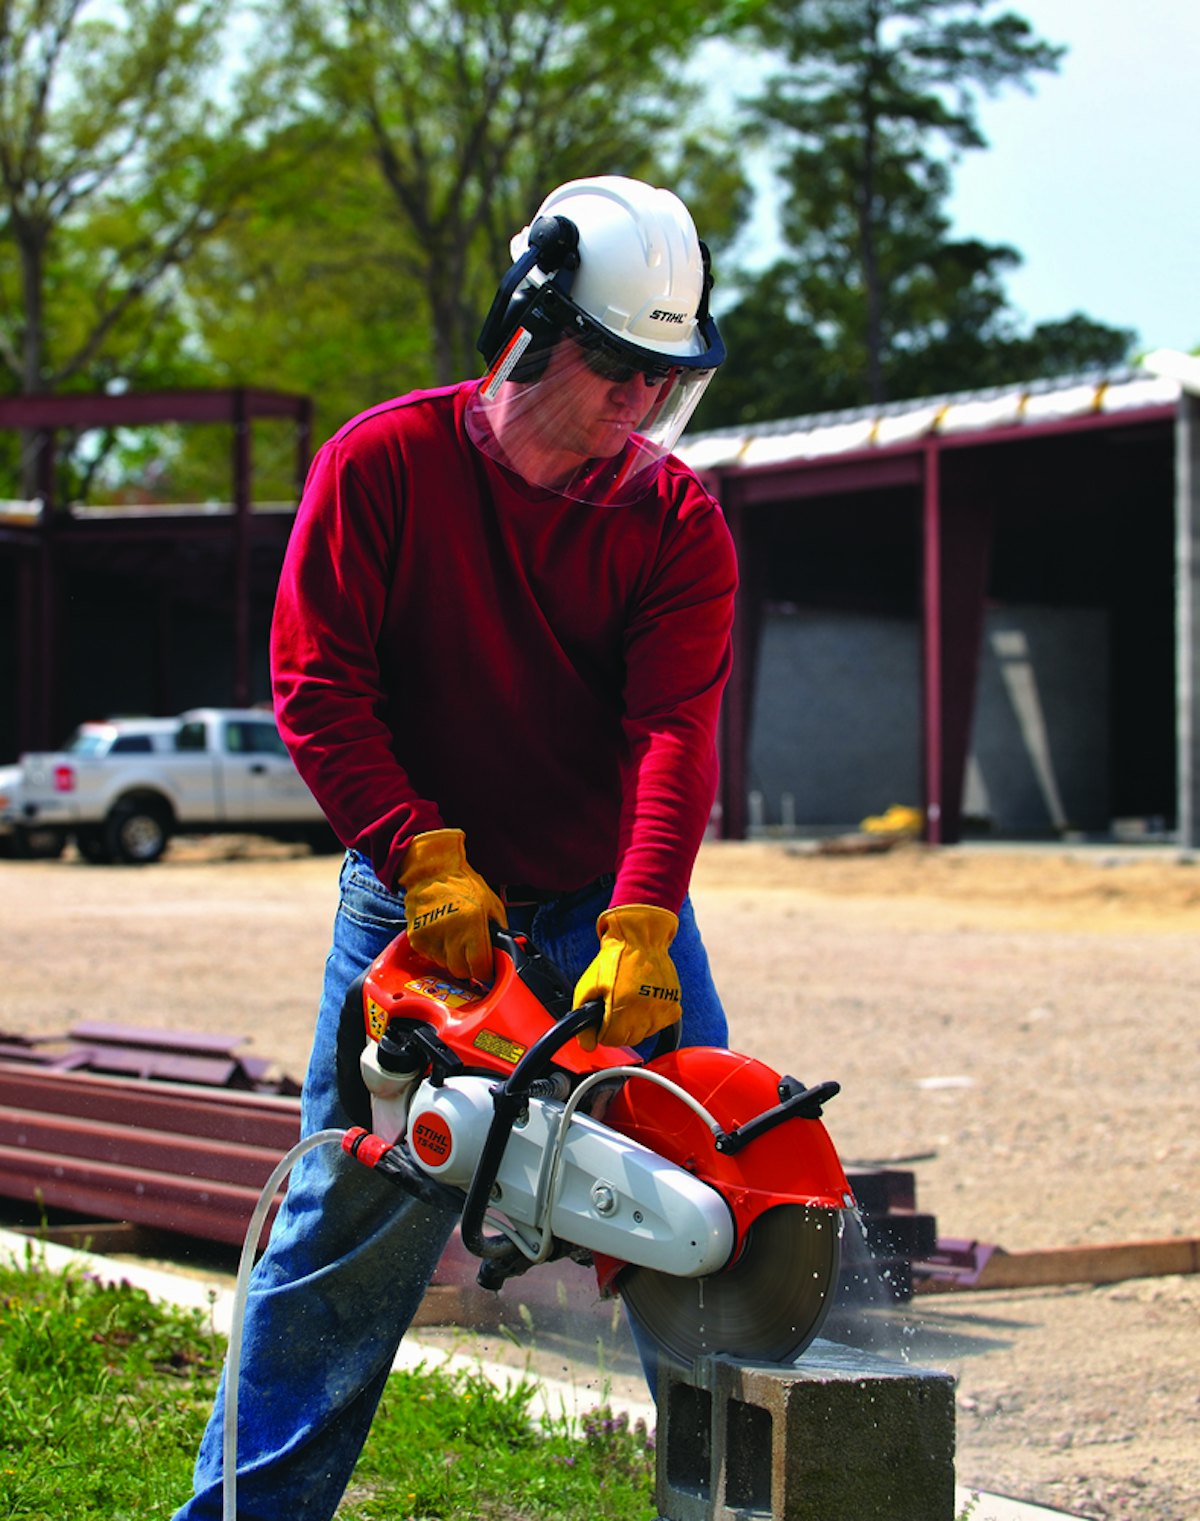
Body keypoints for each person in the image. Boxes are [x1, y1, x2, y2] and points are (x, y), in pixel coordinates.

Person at [173, 173, 737, 1521]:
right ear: (532, 333)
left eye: (667, 379)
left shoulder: (675, 523)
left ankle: (735, 1507)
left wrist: (646, 919)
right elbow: (319, 684)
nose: (642, 405)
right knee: (348, 1242)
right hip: (414, 901)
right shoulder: (383, 466)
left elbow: (676, 733)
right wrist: (418, 852)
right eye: (618, 370)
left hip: (611, 910)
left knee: (710, 1212)